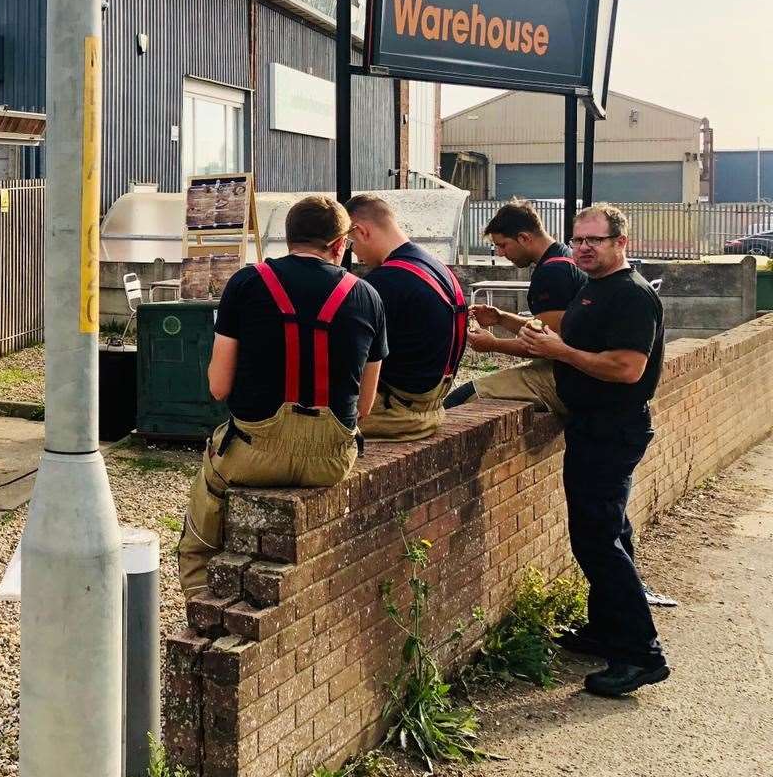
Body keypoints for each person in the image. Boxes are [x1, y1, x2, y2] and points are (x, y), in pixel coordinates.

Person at [177, 194, 387, 600]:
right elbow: (364, 406)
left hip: (252, 456)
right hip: (331, 460)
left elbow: (218, 386)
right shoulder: (368, 297)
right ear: (340, 244)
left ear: (287, 239)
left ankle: (203, 605)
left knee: (199, 534)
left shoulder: (247, 282)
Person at [517, 203, 668, 697]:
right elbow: (578, 343)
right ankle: (605, 629)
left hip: (612, 429)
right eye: (578, 239)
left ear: (620, 243)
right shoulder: (593, 289)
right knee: (607, 532)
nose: (583, 247)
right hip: (591, 426)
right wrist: (527, 331)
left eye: (595, 240)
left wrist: (560, 353)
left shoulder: (631, 295)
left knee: (597, 539)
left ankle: (640, 654)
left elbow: (626, 368)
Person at [444, 199, 586, 416]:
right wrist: (501, 318)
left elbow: (546, 345)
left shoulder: (552, 273)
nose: (500, 253)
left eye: (503, 245)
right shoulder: (564, 256)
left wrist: (493, 344)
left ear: (524, 238)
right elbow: (551, 329)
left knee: (460, 400)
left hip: (567, 377)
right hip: (573, 371)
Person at [346, 194, 468, 442]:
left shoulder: (384, 282)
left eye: (351, 244)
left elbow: (350, 361)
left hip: (397, 414)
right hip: (432, 406)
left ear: (361, 231)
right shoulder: (437, 268)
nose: (356, 256)